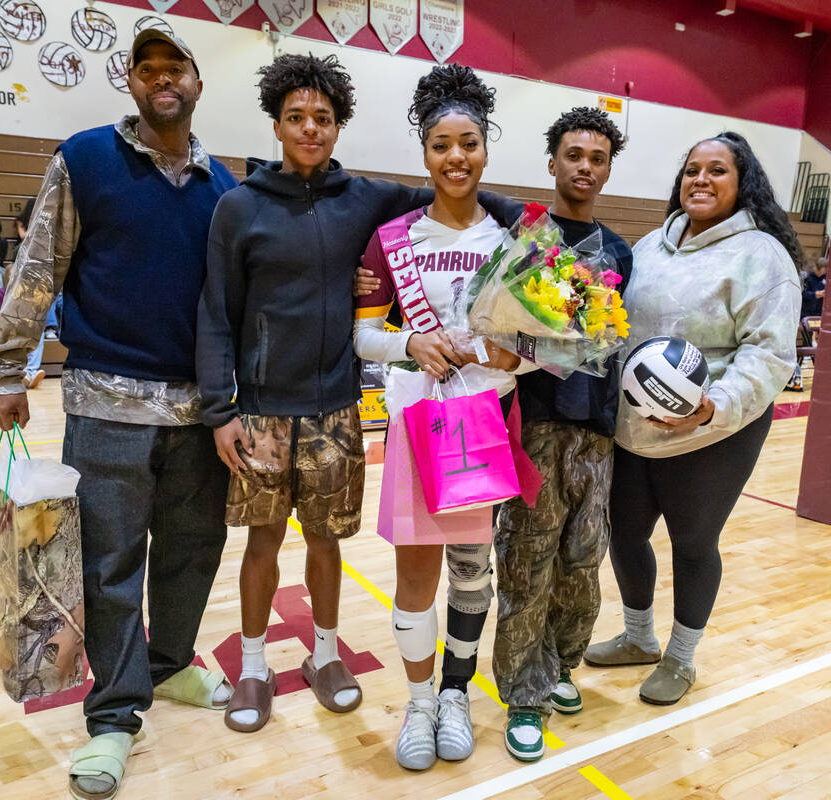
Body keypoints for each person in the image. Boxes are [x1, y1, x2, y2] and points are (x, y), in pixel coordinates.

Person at [196, 53, 516, 737]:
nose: (310, 129)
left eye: (323, 118)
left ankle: (324, 654)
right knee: (260, 543)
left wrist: (559, 231)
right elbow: (215, 312)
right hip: (259, 408)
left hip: (337, 406)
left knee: (324, 543)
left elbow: (466, 192)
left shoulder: (367, 200)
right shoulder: (237, 206)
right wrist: (219, 410)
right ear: (277, 123)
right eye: (296, 118)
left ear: (339, 124)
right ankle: (253, 666)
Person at [0, 30, 237, 800]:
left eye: (176, 67)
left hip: (198, 413)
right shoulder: (86, 159)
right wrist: (6, 365)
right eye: (147, 68)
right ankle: (116, 716)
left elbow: (236, 303)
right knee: (112, 564)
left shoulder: (224, 185)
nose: (163, 79)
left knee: (194, 549)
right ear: (130, 81)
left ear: (197, 81)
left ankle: (170, 666)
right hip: (106, 403)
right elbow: (37, 267)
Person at [585, 131, 801, 707]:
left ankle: (681, 658)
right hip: (636, 427)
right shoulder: (653, 245)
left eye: (717, 171)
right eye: (691, 171)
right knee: (625, 533)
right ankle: (637, 638)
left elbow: (771, 354)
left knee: (693, 542)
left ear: (742, 183)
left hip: (714, 431)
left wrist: (713, 408)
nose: (700, 180)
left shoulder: (762, 255)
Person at [352, 63, 527, 771]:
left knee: (473, 570)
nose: (456, 157)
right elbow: (363, 336)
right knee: (416, 574)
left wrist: (510, 355)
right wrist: (409, 341)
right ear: (424, 154)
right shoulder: (391, 239)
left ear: (486, 148)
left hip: (486, 425)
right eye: (441, 145)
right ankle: (420, 702)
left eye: (469, 143)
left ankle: (457, 692)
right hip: (418, 427)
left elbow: (540, 346)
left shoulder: (515, 241)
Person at [490, 107, 632, 762]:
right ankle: (523, 693)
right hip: (534, 426)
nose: (584, 167)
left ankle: (560, 662)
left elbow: (611, 339)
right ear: (553, 162)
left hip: (596, 431)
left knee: (582, 562)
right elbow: (494, 325)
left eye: (597, 158)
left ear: (607, 169)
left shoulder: (621, 251)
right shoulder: (524, 239)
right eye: (573, 154)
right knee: (527, 562)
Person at [5, 198, 48, 390]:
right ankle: (19, 372)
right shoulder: (19, 252)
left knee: (36, 331)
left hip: (38, 293)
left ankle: (30, 371)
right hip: (19, 294)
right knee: (20, 332)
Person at [787, 256, 826, 391]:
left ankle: (800, 374)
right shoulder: (808, 279)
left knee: (810, 342)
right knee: (807, 340)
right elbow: (803, 295)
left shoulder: (826, 279)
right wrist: (816, 294)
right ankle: (795, 374)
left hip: (818, 313)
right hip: (805, 312)